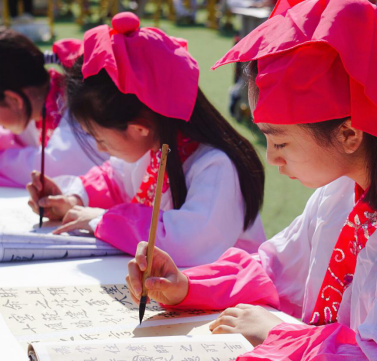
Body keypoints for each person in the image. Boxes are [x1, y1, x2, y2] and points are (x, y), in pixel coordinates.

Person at [126, 0, 377, 361]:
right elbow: (274, 268)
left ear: (349, 132)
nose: (272, 157)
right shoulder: (343, 188)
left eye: (280, 141)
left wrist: (276, 333)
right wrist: (187, 285)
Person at [26, 13, 267, 266]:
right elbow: (113, 180)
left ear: (139, 128)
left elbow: (184, 245)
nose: (99, 148)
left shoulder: (216, 166)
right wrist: (74, 199)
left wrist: (101, 219)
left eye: (101, 140)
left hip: (228, 300)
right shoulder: (153, 146)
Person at [0, 28, 104, 187]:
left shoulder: (76, 109)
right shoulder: (43, 105)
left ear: (14, 100)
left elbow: (53, 166)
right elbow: (17, 137)